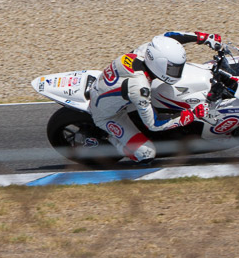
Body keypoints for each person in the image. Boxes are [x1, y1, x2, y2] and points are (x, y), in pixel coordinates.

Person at [88, 31, 224, 164]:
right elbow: (154, 124)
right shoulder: (139, 87)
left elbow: (169, 37)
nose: (177, 72)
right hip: (109, 116)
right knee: (146, 154)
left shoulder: (145, 51)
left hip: (110, 87)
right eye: (173, 69)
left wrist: (203, 38)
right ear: (159, 64)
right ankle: (111, 139)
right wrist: (192, 114)